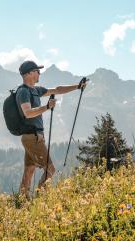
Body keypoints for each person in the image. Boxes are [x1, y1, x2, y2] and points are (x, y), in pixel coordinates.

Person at [17, 60, 87, 198]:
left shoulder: (34, 90)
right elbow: (28, 113)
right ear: (29, 73)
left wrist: (77, 86)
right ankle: (39, 198)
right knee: (50, 169)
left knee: (30, 169)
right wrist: (47, 107)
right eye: (37, 71)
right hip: (33, 137)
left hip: (32, 136)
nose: (39, 73)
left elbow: (57, 89)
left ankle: (22, 200)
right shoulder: (23, 92)